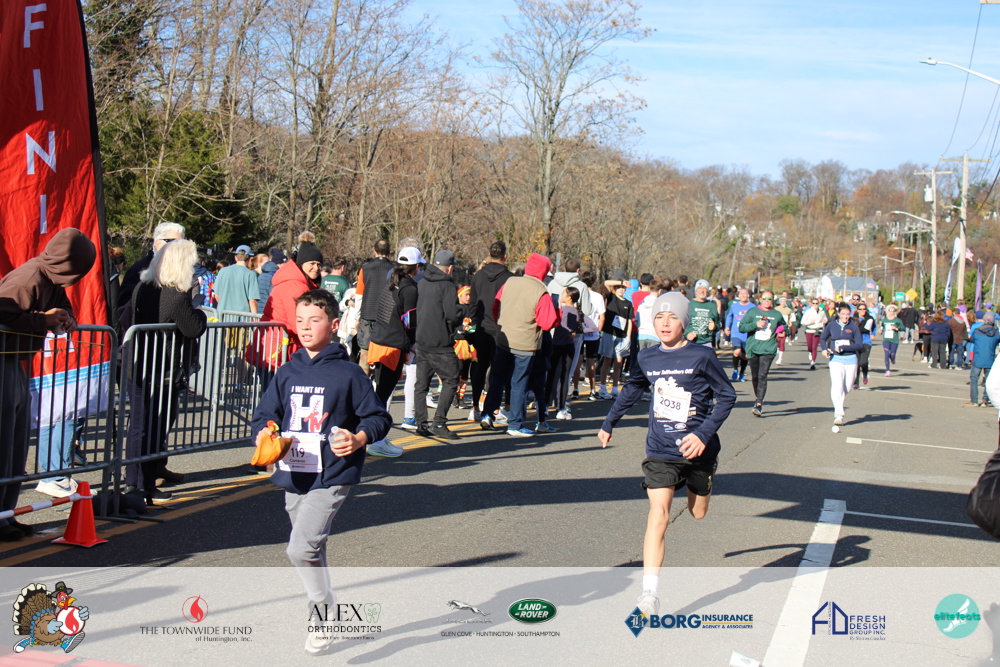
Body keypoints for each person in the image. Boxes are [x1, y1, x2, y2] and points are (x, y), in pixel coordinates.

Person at [251, 289, 391, 654]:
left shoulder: (349, 374)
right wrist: (263, 433)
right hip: (293, 474)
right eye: (300, 320)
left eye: (314, 320)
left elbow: (378, 417)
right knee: (312, 548)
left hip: (331, 474)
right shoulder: (287, 371)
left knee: (300, 548)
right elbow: (265, 414)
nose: (305, 327)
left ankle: (323, 610)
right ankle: (325, 608)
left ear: (333, 324)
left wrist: (359, 438)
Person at [597, 292, 736, 616]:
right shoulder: (647, 358)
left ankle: (702, 481)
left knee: (698, 513)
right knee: (658, 514)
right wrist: (609, 421)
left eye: (673, 317)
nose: (665, 323)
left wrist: (703, 434)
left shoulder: (702, 356)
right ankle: (649, 593)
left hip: (698, 449)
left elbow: (727, 396)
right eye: (659, 317)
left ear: (684, 322)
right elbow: (633, 387)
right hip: (661, 449)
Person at [0, 230, 96, 535]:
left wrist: (66, 317)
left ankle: (6, 513)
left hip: (15, 362)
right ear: (69, 264)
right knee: (3, 444)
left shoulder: (51, 279)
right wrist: (43, 320)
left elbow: (60, 306)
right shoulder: (28, 279)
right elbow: (3, 313)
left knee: (15, 446)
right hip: (3, 361)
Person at [126, 239, 208, 504]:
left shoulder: (142, 286)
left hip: (138, 364)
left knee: (138, 427)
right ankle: (146, 485)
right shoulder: (175, 293)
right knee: (154, 427)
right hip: (161, 368)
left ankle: (133, 483)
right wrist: (200, 314)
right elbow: (192, 328)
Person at [481, 253, 560, 435]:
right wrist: (558, 312)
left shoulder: (510, 282)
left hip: (504, 338)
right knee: (519, 383)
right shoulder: (541, 291)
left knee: (497, 378)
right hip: (525, 343)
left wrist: (501, 323)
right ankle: (515, 424)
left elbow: (496, 306)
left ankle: (487, 414)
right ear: (544, 271)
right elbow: (547, 323)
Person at [366, 247, 423, 456]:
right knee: (383, 393)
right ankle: (377, 438)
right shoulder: (410, 289)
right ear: (417, 267)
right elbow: (410, 322)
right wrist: (413, 345)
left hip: (379, 340)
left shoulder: (392, 281)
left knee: (380, 392)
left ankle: (376, 436)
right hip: (393, 344)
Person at [413, 250, 463, 439]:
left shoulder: (422, 282)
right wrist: (461, 313)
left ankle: (421, 423)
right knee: (451, 379)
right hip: (441, 341)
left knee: (421, 384)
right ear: (449, 268)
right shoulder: (447, 285)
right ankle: (439, 422)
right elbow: (452, 314)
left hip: (422, 339)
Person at [468, 241, 512, 421]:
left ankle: (475, 407)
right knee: (500, 370)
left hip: (481, 328)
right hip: (500, 329)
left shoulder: (478, 276)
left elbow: (472, 305)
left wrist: (471, 327)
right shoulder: (509, 278)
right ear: (505, 256)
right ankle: (495, 409)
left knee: (480, 367)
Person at [737, 290, 786, 417]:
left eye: (769, 299)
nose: (767, 301)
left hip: (768, 349)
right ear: (760, 300)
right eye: (764, 298)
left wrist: (781, 330)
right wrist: (755, 324)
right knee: (755, 376)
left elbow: (783, 326)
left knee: (762, 375)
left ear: (773, 300)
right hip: (753, 348)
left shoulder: (776, 314)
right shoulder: (752, 312)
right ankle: (758, 397)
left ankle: (759, 403)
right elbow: (741, 327)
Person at [118, 222, 185, 311]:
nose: (180, 248)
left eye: (183, 243)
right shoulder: (139, 270)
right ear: (158, 244)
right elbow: (124, 305)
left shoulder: (181, 270)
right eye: (175, 242)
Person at [820, 302, 863, 432]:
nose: (845, 317)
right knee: (837, 385)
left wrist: (844, 347)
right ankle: (839, 413)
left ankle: (839, 409)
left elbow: (859, 345)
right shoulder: (832, 325)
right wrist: (824, 349)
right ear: (838, 314)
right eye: (843, 314)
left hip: (851, 359)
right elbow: (823, 338)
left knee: (847, 388)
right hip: (835, 360)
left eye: (847, 314)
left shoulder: (854, 327)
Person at [355, 240, 394, 372]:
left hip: (367, 314)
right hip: (387, 316)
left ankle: (363, 379)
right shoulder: (395, 269)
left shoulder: (365, 268)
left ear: (374, 251)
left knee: (365, 351)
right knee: (384, 352)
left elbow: (359, 296)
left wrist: (356, 318)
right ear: (389, 253)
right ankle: (379, 379)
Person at [597, 279, 635, 399]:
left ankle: (614, 388)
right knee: (607, 360)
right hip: (609, 333)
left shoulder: (628, 304)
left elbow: (629, 321)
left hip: (622, 335)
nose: (621, 290)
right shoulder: (611, 298)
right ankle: (603, 387)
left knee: (619, 362)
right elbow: (606, 283)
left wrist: (628, 337)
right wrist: (622, 282)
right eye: (619, 287)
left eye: (623, 288)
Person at [549, 287, 582, 420]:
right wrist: (573, 332)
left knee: (552, 375)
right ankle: (561, 407)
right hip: (569, 345)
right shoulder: (577, 311)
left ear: (569, 297)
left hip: (556, 345)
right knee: (564, 376)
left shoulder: (562, 310)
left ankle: (545, 405)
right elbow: (584, 327)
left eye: (564, 293)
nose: (561, 295)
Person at [213, 244, 260, 314]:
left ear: (235, 258)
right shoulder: (251, 274)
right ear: (250, 259)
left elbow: (217, 296)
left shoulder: (222, 271)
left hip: (223, 315)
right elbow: (252, 301)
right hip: (242, 317)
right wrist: (256, 319)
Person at [969, 313, 1000, 407]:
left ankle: (974, 400)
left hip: (978, 358)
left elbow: (972, 340)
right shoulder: (996, 333)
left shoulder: (977, 331)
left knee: (974, 379)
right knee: (988, 380)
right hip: (990, 358)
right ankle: (985, 400)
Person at [724, 288, 754, 381]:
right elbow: (729, 316)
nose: (743, 296)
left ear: (748, 295)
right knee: (737, 351)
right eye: (741, 294)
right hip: (736, 333)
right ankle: (735, 370)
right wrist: (727, 327)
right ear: (738, 296)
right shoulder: (734, 306)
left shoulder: (753, 307)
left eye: (745, 294)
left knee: (745, 356)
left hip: (747, 334)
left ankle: (741, 373)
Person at [686, 279, 720, 349]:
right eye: (699, 288)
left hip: (706, 342)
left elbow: (718, 324)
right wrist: (687, 334)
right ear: (696, 291)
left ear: (707, 291)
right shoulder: (688, 304)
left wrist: (714, 327)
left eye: (704, 288)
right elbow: (681, 324)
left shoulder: (712, 306)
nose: (702, 291)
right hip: (691, 342)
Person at [800, 297, 828, 370]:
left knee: (814, 347)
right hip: (809, 330)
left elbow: (825, 319)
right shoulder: (808, 311)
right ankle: (810, 352)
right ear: (811, 304)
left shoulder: (822, 311)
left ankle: (813, 362)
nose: (815, 304)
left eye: (816, 303)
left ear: (819, 304)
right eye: (814, 303)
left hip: (818, 330)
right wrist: (810, 322)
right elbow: (802, 322)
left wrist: (824, 321)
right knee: (810, 346)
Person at [853, 302, 875, 387]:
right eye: (860, 309)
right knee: (857, 364)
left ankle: (865, 374)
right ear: (857, 310)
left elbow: (869, 328)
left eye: (864, 309)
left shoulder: (869, 318)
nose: (862, 311)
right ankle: (856, 382)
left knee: (863, 362)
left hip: (866, 342)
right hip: (855, 342)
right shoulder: (853, 318)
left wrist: (873, 334)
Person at [880, 304, 903, 377]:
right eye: (890, 310)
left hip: (894, 340)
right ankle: (888, 370)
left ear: (895, 312)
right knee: (886, 354)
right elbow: (882, 327)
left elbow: (903, 328)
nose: (891, 312)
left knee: (892, 354)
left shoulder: (897, 320)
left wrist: (896, 328)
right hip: (886, 339)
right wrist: (881, 331)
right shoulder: (884, 320)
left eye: (893, 310)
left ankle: (893, 358)